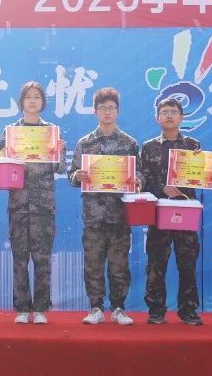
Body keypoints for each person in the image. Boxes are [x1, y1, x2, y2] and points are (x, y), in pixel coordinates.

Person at [68, 87, 142, 326]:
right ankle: (96, 307)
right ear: (95, 112)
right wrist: (77, 176)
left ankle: (119, 308)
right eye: (103, 108)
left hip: (121, 215)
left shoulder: (130, 143)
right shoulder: (85, 143)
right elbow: (72, 175)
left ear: (118, 111)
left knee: (119, 265)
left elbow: (140, 173)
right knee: (93, 264)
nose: (107, 112)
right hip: (94, 215)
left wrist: (138, 180)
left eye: (111, 108)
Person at [0, 81, 65, 324]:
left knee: (42, 259)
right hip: (18, 204)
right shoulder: (10, 131)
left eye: (37, 97)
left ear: (43, 102)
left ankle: (41, 309)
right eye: (28, 97)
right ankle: (22, 309)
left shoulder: (52, 131)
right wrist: (4, 154)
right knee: (20, 258)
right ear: (21, 102)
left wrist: (59, 150)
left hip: (43, 205)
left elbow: (58, 168)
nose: (33, 101)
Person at [138, 98, 203, 326]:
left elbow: (201, 176)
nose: (169, 115)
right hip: (158, 211)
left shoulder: (193, 146)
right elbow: (141, 179)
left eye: (173, 112)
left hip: (186, 211)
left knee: (187, 263)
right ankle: (156, 310)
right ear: (157, 117)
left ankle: (188, 310)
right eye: (164, 112)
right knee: (156, 263)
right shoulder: (148, 147)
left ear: (181, 117)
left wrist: (208, 171)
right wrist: (161, 187)